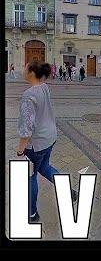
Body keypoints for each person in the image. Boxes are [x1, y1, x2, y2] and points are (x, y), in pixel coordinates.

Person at [16, 61, 78, 222]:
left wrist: (20, 150)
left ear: (30, 72)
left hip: (35, 145)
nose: (23, 69)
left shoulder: (28, 95)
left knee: (30, 176)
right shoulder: (44, 87)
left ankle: (32, 213)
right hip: (50, 137)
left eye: (25, 67)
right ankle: (66, 190)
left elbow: (26, 127)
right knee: (44, 166)